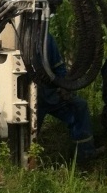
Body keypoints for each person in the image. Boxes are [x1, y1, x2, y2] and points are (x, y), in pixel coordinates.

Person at [36, 32, 100, 162]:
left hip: (49, 93)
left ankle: (85, 152)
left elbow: (57, 66)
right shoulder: (13, 36)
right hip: (28, 97)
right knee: (28, 129)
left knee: (78, 107)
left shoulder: (45, 38)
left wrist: (64, 86)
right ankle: (23, 159)